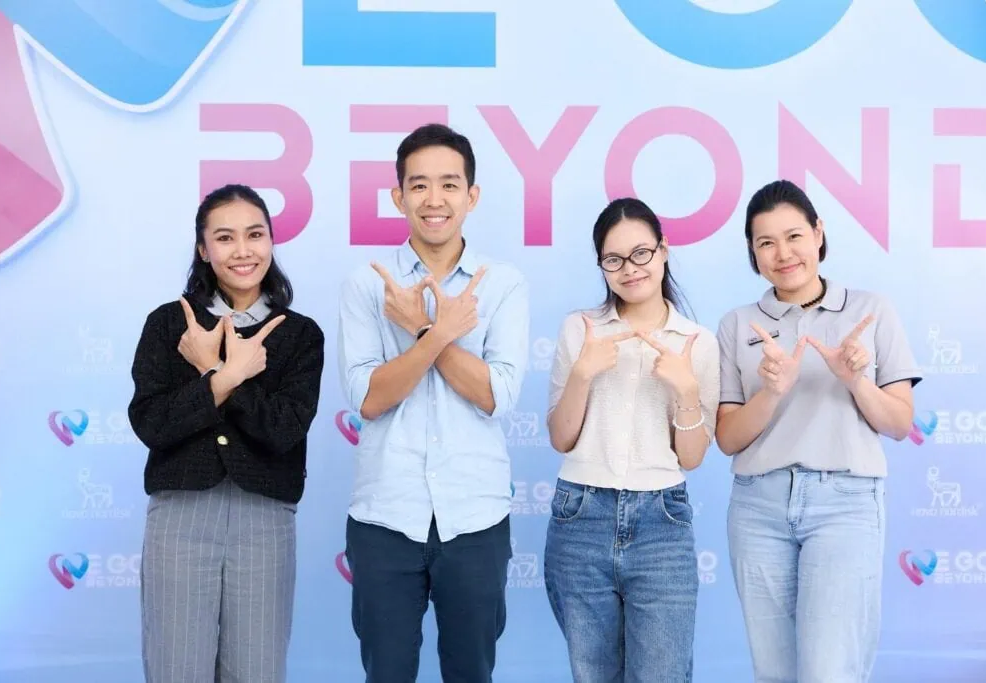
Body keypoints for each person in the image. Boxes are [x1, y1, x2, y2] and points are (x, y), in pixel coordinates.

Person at [337, 123, 530, 683]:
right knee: (387, 673)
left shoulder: (504, 283)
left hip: (474, 517)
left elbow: (496, 394)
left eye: (449, 184)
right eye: (419, 185)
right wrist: (442, 335)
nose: (434, 199)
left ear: (472, 196)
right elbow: (370, 399)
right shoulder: (366, 285)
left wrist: (424, 328)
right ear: (398, 197)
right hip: (384, 515)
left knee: (471, 672)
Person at [715, 179, 922, 683]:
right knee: (776, 673)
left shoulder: (871, 311)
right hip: (758, 508)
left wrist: (855, 381)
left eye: (793, 236)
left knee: (830, 673)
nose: (782, 254)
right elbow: (727, 438)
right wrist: (773, 391)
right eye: (765, 243)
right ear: (752, 252)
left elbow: (899, 423)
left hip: (845, 505)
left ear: (818, 233)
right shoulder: (737, 324)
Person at [128, 183, 325, 683]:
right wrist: (226, 378)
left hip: (265, 519)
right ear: (203, 249)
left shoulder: (300, 334)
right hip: (181, 516)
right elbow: (152, 423)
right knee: (176, 668)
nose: (243, 251)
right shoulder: (169, 323)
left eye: (255, 235)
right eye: (225, 237)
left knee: (256, 671)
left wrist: (219, 374)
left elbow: (283, 430)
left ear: (272, 241)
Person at [544, 197, 721, 682]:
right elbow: (561, 438)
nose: (629, 269)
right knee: (593, 674)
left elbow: (692, 456)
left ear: (663, 252)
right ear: (602, 265)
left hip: (662, 519)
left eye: (641, 253)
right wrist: (582, 373)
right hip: (579, 514)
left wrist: (685, 389)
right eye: (614, 260)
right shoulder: (580, 328)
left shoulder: (697, 342)